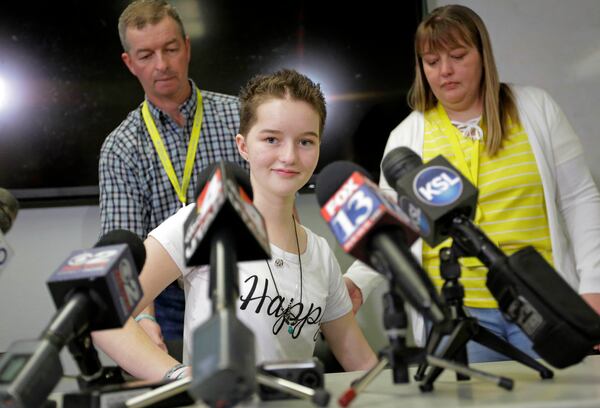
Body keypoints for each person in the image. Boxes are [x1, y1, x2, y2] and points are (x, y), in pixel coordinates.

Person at [345, 4, 600, 362]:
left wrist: (594, 287)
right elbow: (390, 227)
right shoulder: (406, 137)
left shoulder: (536, 108)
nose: (445, 71)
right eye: (432, 62)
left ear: (483, 55)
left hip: (543, 304)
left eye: (458, 56)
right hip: (461, 316)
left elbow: (580, 199)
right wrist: (355, 283)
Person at [92, 69, 377, 381]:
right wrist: (176, 375)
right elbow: (103, 312)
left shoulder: (321, 255)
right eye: (271, 139)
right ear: (243, 145)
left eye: (306, 142)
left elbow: (358, 357)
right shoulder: (205, 220)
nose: (289, 156)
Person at [99, 0, 247, 354]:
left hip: (245, 283)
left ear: (187, 48)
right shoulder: (121, 147)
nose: (162, 65)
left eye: (170, 49)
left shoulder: (240, 117)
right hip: (165, 301)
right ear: (129, 63)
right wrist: (142, 317)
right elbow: (126, 251)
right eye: (146, 55)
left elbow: (277, 201)